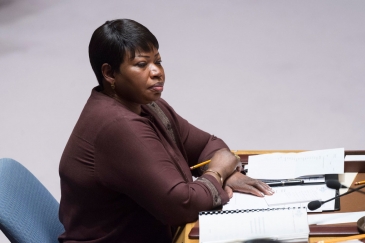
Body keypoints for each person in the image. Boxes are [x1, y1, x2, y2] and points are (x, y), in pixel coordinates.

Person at [58, 19, 274, 243]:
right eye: (142, 64)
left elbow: (207, 145)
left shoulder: (146, 104)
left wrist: (229, 172)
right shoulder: (117, 126)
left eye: (158, 61)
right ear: (110, 73)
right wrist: (218, 174)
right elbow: (182, 205)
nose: (157, 72)